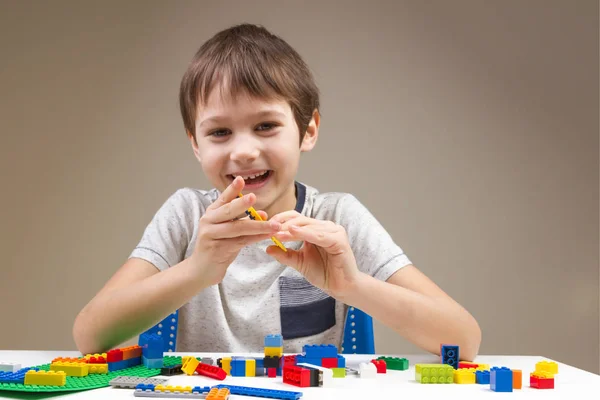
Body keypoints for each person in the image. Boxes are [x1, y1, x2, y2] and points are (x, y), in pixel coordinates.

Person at [73, 23, 481, 360]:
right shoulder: (184, 215)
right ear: (195, 143)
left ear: (308, 130)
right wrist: (196, 269)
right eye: (219, 132)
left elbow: (464, 340)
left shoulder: (337, 217)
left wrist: (352, 285)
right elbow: (90, 336)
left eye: (266, 126)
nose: (244, 150)